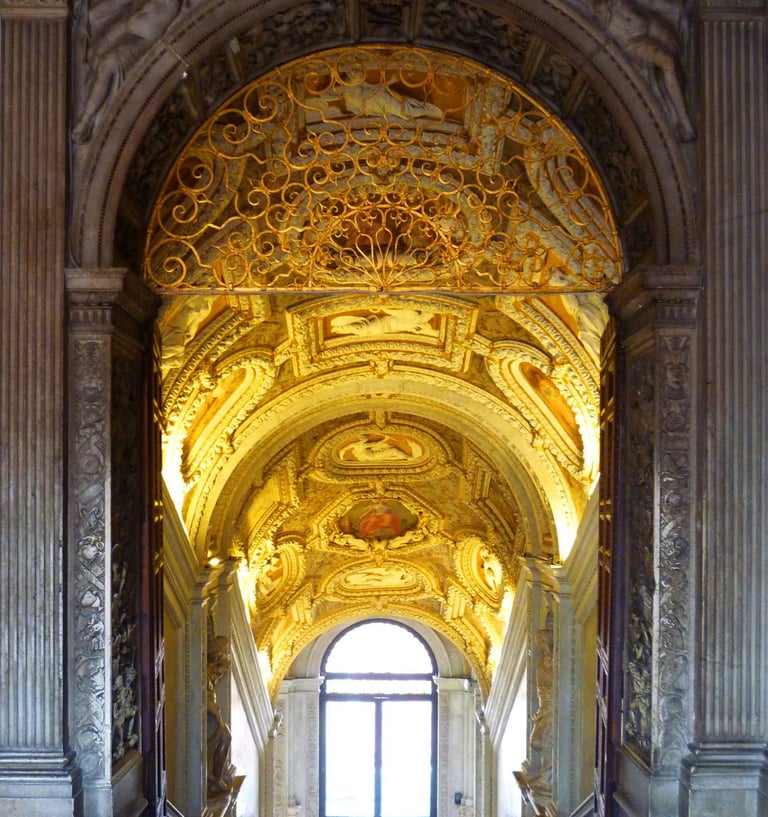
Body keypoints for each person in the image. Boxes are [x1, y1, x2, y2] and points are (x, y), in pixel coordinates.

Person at [73, 0, 180, 142]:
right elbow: (115, 6)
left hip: (142, 40)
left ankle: (87, 119)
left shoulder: (170, 4)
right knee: (96, 52)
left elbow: (145, 25)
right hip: (130, 30)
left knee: (108, 64)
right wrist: (88, 16)